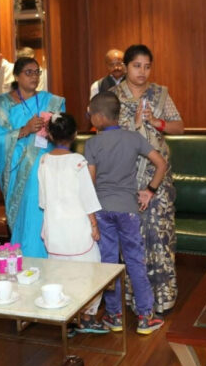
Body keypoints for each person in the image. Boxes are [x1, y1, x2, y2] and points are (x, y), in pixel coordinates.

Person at [85, 91, 168, 334]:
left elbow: (89, 183)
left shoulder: (92, 144)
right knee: (135, 262)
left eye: (91, 115)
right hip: (129, 211)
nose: (90, 118)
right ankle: (145, 317)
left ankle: (114, 316)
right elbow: (161, 164)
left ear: (100, 117)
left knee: (108, 264)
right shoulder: (133, 138)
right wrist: (150, 190)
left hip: (102, 211)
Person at [111, 44, 184, 314]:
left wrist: (156, 121)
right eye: (136, 66)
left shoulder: (159, 94)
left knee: (160, 235)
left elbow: (179, 126)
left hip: (157, 176)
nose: (142, 71)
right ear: (125, 67)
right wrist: (132, 124)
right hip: (125, 176)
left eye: (147, 66)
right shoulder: (113, 97)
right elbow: (103, 131)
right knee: (130, 236)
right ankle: (134, 299)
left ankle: (162, 298)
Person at [38, 112, 108, 335]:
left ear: (50, 135)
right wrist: (94, 225)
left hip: (55, 228)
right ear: (75, 134)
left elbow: (43, 200)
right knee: (90, 271)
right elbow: (87, 198)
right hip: (78, 228)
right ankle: (87, 317)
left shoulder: (44, 161)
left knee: (59, 273)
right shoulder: (78, 162)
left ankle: (66, 319)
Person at [0, 56, 64, 257]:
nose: (34, 77)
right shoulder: (3, 103)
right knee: (29, 212)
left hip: (48, 165)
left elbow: (63, 134)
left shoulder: (51, 101)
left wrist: (52, 129)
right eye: (28, 72)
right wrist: (25, 130)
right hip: (18, 169)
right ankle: (29, 257)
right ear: (16, 76)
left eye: (37, 72)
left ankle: (50, 257)